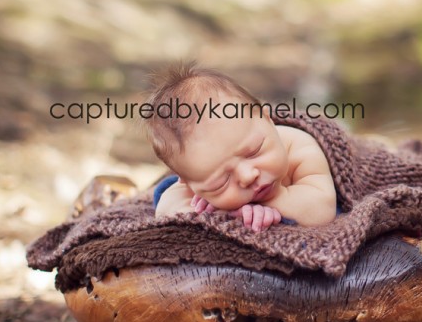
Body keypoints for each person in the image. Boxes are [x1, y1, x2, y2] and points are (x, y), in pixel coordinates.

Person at [144, 63, 337, 232]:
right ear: (188, 183)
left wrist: (264, 203)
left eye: (254, 151)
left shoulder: (298, 145)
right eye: (221, 182)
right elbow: (167, 211)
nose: (248, 176)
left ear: (268, 119)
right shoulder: (197, 175)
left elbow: (322, 209)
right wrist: (226, 212)